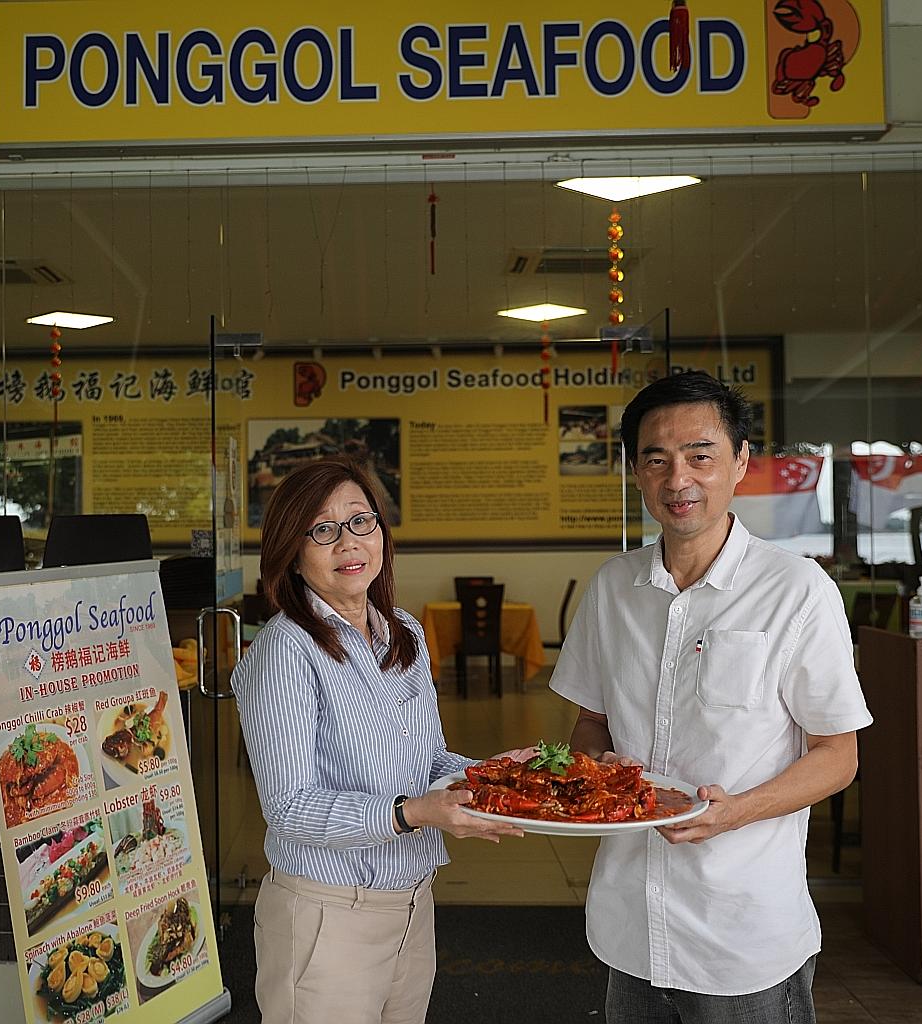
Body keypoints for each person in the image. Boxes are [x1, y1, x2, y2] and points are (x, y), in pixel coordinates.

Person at [550, 371, 873, 1023]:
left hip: (743, 932)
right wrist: (594, 769)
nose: (679, 480)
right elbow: (590, 722)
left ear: (741, 462)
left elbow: (838, 754)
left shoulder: (796, 590)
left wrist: (739, 811)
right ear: (635, 471)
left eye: (701, 455)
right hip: (628, 924)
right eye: (656, 458)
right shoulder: (614, 587)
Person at [233, 456, 526, 1024]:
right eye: (322, 529)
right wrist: (413, 813)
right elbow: (290, 807)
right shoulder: (283, 651)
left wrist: (497, 773)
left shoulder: (403, 632)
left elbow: (429, 760)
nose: (348, 542)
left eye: (360, 521)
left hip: (413, 904)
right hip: (326, 915)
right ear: (292, 553)